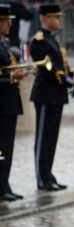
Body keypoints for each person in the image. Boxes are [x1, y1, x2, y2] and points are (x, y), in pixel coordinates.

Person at [30, 3, 74, 192]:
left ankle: (48, 174)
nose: (60, 20)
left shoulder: (53, 40)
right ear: (46, 19)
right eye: (57, 17)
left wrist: (73, 76)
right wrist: (69, 81)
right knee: (43, 139)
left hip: (57, 95)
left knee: (52, 138)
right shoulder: (39, 41)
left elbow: (63, 66)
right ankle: (42, 178)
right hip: (45, 94)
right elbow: (50, 71)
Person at [0, 3, 25, 202]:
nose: (9, 24)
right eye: (6, 21)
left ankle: (4, 184)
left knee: (7, 148)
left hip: (9, 102)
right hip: (2, 103)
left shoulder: (4, 43)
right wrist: (10, 77)